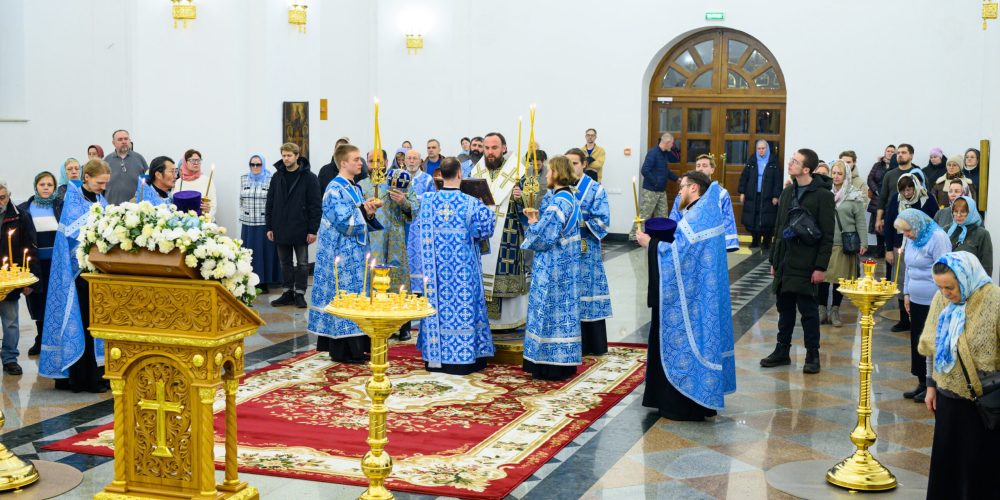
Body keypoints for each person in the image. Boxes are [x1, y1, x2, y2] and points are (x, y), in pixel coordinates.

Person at [637, 171, 735, 421]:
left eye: (681, 188)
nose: (678, 192)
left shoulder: (697, 216)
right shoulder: (703, 211)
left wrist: (651, 244)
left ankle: (682, 403)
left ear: (693, 188)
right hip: (700, 293)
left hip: (690, 300)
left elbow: (678, 254)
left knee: (684, 340)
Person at [917, 252, 1000, 499]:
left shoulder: (994, 300)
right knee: (948, 468)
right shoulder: (941, 300)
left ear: (966, 278)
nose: (946, 293)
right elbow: (932, 346)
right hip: (948, 400)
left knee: (979, 470)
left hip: (983, 402)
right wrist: (930, 386)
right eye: (940, 287)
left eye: (950, 287)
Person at [415, 157, 497, 374]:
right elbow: (486, 229)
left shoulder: (427, 201)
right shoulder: (472, 203)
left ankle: (436, 358)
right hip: (463, 272)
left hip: (436, 273)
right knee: (465, 308)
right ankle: (466, 357)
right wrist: (488, 205)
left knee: (437, 309)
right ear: (460, 174)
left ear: (441, 174)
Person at [760, 148, 834, 374]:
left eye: (794, 161)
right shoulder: (788, 192)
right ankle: (782, 350)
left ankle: (813, 354)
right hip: (785, 259)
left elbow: (828, 234)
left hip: (807, 261)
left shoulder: (823, 195)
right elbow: (779, 227)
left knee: (809, 311)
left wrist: (820, 267)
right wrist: (774, 259)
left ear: (806, 169)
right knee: (785, 308)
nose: (790, 164)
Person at [41, 159, 111, 393]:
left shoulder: (101, 200)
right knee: (82, 324)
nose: (102, 187)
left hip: (98, 276)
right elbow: (72, 240)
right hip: (77, 277)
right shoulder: (72, 200)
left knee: (97, 325)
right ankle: (83, 379)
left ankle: (100, 375)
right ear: (86, 178)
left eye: (105, 184)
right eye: (100, 183)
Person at [308, 144, 383, 363]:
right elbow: (343, 221)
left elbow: (355, 214)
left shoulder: (355, 188)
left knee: (358, 295)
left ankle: (359, 344)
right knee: (345, 295)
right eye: (356, 159)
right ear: (343, 163)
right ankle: (346, 349)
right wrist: (363, 211)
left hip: (356, 252)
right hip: (341, 253)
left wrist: (367, 210)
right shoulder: (334, 189)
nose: (361, 163)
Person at [520, 156, 582, 380]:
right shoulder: (571, 198)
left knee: (549, 311)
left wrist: (533, 223)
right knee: (562, 313)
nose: (546, 176)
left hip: (554, 267)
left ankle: (549, 364)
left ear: (556, 173)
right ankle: (563, 362)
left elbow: (544, 238)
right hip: (568, 265)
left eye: (548, 172)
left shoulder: (557, 203)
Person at [469, 132, 529, 330]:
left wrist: (522, 198)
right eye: (486, 148)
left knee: (504, 272)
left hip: (507, 234)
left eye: (494, 148)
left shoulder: (517, 171)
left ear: (504, 148)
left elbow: (532, 205)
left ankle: (509, 321)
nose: (490, 152)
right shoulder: (476, 171)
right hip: (483, 234)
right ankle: (484, 319)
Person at [360, 148, 418, 340]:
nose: (375, 165)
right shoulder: (361, 185)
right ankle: (375, 323)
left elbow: (415, 208)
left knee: (398, 277)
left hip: (395, 238)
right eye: (371, 161)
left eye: (378, 161)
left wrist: (403, 201)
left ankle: (403, 326)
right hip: (373, 240)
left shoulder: (399, 181)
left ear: (385, 162)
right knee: (373, 278)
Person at [894, 209, 951, 403]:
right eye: (904, 232)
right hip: (916, 299)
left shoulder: (938, 237)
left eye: (908, 230)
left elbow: (944, 268)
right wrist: (907, 293)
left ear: (917, 224)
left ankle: (932, 385)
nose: (906, 235)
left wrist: (941, 299)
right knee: (917, 340)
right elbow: (908, 267)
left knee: (931, 341)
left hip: (935, 300)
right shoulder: (911, 239)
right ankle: (921, 382)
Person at [564, 149, 612, 355]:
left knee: (588, 293)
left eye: (575, 163)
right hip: (565, 251)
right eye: (567, 163)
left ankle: (592, 344)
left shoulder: (595, 190)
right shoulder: (558, 189)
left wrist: (580, 220)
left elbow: (603, 220)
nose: (571, 167)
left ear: (583, 164)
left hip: (586, 250)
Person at [266, 142, 322, 308]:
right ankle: (287, 291)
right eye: (283, 155)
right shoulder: (277, 177)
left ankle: (300, 293)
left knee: (303, 263)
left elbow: (315, 205)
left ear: (297, 156)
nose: (285, 159)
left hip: (301, 227)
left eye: (289, 155)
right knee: (285, 263)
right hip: (280, 226)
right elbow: (270, 202)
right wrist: (269, 226)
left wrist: (313, 229)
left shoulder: (309, 177)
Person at [884, 171, 938, 333]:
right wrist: (888, 249)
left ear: (915, 187)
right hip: (900, 244)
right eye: (904, 190)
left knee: (920, 278)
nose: (907, 193)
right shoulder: (896, 199)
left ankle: (921, 318)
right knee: (901, 281)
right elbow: (889, 224)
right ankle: (903, 319)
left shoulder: (927, 198)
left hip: (923, 244)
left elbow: (933, 221)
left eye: (910, 189)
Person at [819, 160, 868, 327]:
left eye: (840, 173)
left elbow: (861, 221)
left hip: (843, 244)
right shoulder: (824, 192)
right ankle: (821, 309)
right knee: (823, 278)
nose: (836, 176)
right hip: (825, 242)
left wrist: (864, 242)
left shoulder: (854, 195)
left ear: (846, 175)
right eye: (833, 173)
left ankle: (835, 310)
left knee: (839, 279)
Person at [17, 172, 61, 356]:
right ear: (36, 186)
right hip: (34, 265)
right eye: (42, 184)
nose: (45, 187)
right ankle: (40, 338)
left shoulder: (61, 207)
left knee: (55, 301)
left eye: (49, 184)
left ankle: (54, 339)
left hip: (56, 264)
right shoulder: (24, 209)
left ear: (54, 187)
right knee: (37, 301)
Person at [0, 180, 38, 375]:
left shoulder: (20, 217)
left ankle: (9, 358)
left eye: (2, 198)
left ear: (9, 196)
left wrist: (30, 278)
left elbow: (30, 247)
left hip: (10, 277)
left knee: (11, 321)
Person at [670, 154, 739, 252]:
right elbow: (675, 216)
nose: (700, 169)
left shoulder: (721, 194)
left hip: (712, 244)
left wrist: (728, 244)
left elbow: (727, 219)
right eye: (698, 166)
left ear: (712, 170)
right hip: (688, 243)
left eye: (704, 166)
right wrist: (672, 238)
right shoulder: (684, 192)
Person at [240, 154, 280, 293]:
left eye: (258, 164)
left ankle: (264, 282)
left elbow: (274, 202)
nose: (255, 167)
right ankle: (249, 280)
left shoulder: (270, 179)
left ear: (263, 165)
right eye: (252, 164)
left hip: (264, 223)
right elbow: (241, 200)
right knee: (250, 253)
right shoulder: (243, 179)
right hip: (248, 224)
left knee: (264, 253)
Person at [632, 133, 680, 240]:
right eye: (672, 143)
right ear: (667, 143)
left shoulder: (664, 154)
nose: (672, 146)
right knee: (645, 215)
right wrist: (656, 183)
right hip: (651, 190)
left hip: (661, 191)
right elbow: (644, 170)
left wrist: (677, 179)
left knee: (662, 216)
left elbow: (665, 171)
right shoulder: (653, 153)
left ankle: (660, 236)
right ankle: (634, 237)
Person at [738, 139, 783, 249]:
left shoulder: (773, 162)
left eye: (763, 148)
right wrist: (742, 192)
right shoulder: (752, 161)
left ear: (767, 149)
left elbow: (778, 180)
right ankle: (755, 239)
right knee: (753, 217)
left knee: (767, 218)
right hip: (753, 195)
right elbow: (744, 177)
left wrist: (776, 195)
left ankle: (767, 240)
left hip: (768, 196)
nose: (761, 151)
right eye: (759, 148)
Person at [403, 149, 435, 294]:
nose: (411, 161)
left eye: (414, 158)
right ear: (404, 161)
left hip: (420, 225)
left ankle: (418, 290)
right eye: (409, 158)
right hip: (402, 224)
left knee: (418, 258)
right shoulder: (399, 177)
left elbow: (431, 200)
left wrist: (410, 200)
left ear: (420, 161)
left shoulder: (428, 179)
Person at [947, 196, 993, 276]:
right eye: (955, 211)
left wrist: (983, 286)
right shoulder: (947, 230)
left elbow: (987, 266)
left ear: (971, 212)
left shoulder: (982, 234)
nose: (958, 215)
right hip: (947, 281)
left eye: (963, 212)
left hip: (972, 283)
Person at [102, 129, 148, 205]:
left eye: (126, 139)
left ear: (129, 141)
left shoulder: (139, 158)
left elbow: (147, 183)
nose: (124, 141)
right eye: (120, 139)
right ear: (113, 143)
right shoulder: (106, 160)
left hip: (135, 208)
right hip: (112, 209)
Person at [867, 145, 894, 257]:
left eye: (893, 151)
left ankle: (889, 249)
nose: (890, 153)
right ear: (884, 152)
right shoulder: (877, 165)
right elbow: (870, 178)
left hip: (890, 200)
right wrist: (876, 190)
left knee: (889, 226)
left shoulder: (895, 166)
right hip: (877, 200)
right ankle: (879, 250)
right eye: (888, 151)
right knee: (878, 228)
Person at [173, 149, 217, 217]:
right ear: (185, 162)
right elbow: (174, 204)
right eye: (193, 160)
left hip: (203, 221)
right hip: (183, 223)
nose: (196, 163)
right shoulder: (179, 182)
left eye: (198, 160)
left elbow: (213, 205)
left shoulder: (207, 180)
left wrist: (208, 212)